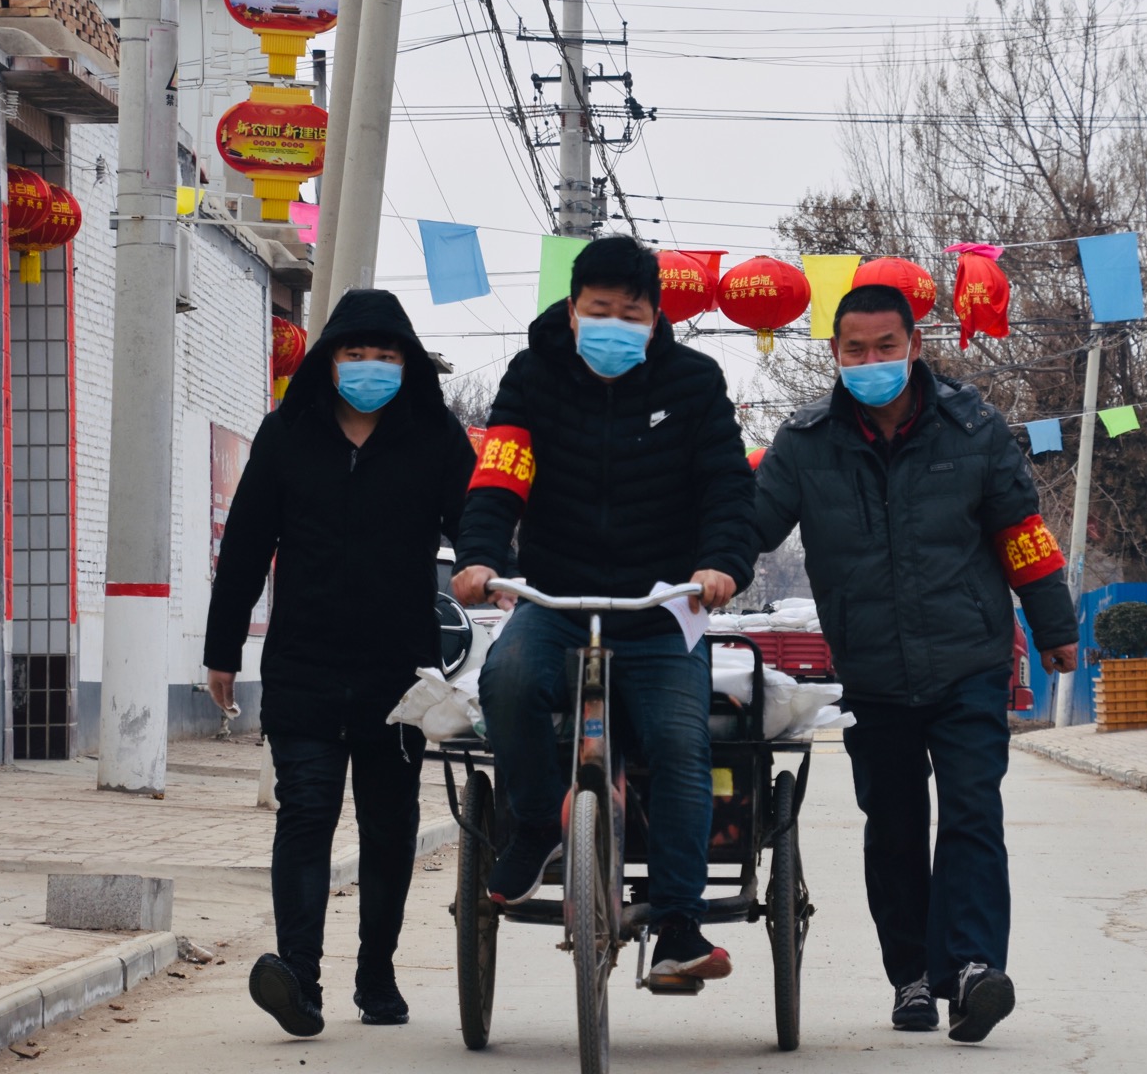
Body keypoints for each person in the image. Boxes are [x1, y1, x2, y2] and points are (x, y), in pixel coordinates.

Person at [752, 283, 1078, 1042]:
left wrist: (1053, 623)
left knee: (972, 812)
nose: (871, 361)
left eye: (885, 347)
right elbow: (750, 527)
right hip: (871, 671)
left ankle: (971, 970)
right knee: (894, 827)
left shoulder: (973, 428)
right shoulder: (805, 443)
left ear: (914, 346)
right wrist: (698, 574)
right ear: (835, 354)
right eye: (855, 350)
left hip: (969, 659)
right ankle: (912, 976)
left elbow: (1021, 530)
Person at [450, 234, 756, 984]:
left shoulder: (693, 382)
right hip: (557, 598)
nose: (614, 324)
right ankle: (535, 823)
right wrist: (479, 558)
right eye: (600, 309)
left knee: (682, 744)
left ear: (655, 317)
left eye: (631, 313)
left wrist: (721, 565)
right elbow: (500, 477)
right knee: (508, 680)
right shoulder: (533, 376)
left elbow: (726, 488)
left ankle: (678, 924)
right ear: (572, 309)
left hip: (661, 608)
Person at [204, 289, 476, 1037]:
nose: (369, 367)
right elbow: (247, 544)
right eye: (355, 353)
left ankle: (377, 975)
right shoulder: (288, 433)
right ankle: (301, 978)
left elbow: (477, 526)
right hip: (305, 665)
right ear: (329, 360)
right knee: (306, 816)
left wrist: (492, 570)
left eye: (386, 355)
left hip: (400, 671)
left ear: (407, 364)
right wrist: (222, 648)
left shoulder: (434, 438)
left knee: (389, 826)